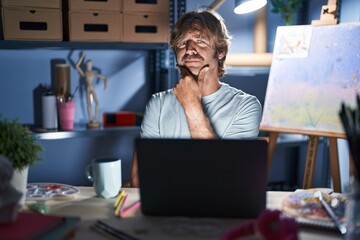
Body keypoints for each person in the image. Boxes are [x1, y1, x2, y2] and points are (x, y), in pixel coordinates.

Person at [130, 9, 262, 187]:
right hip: (166, 211)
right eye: (183, 43)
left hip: (218, 212)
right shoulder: (157, 104)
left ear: (220, 51)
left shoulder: (246, 106)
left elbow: (228, 178)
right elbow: (139, 180)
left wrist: (191, 103)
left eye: (200, 41)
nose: (190, 50)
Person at [76, 53, 108, 128]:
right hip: (87, 89)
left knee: (97, 103)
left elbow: (105, 77)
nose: (89, 66)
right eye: (88, 64)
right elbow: (77, 66)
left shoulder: (93, 73)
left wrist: (105, 85)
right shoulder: (85, 73)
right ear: (86, 65)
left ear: (92, 65)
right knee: (89, 105)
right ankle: (90, 119)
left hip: (92, 88)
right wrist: (81, 57)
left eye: (90, 64)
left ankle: (95, 118)